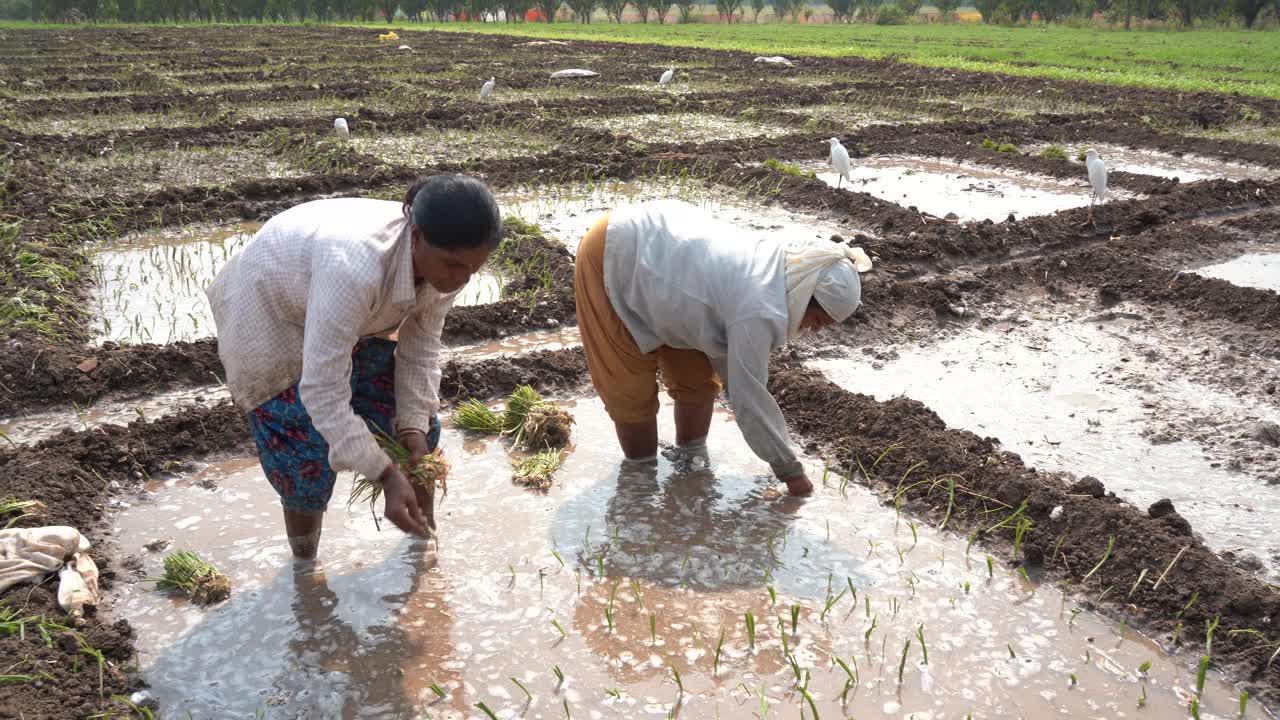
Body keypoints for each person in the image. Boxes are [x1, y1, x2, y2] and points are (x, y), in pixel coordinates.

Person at [206, 174, 502, 559]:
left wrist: (412, 432)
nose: (460, 279)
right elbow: (322, 390)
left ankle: (424, 543)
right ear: (415, 235)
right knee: (302, 451)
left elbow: (421, 349)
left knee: (421, 431)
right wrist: (385, 473)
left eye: (473, 269)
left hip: (346, 307)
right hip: (269, 309)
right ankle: (305, 569)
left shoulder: (448, 265)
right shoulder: (355, 267)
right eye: (453, 264)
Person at [573, 200, 871, 497]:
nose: (816, 330)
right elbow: (748, 397)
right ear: (806, 293)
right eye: (818, 319)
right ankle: (640, 483)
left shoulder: (782, 270)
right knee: (629, 391)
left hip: (675, 262)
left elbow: (729, 365)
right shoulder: (759, 308)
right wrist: (791, 473)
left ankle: (690, 463)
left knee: (697, 382)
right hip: (617, 248)